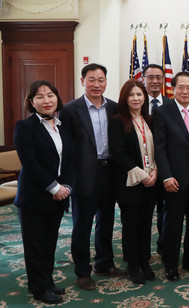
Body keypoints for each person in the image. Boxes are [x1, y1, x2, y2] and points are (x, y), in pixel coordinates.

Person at [60, 63, 125, 291]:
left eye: (101, 80)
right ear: (82, 81)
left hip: (110, 172)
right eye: (91, 80)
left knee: (106, 221)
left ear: (106, 81)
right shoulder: (70, 110)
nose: (96, 84)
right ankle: (82, 271)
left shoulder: (115, 108)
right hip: (84, 175)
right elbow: (66, 148)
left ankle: (104, 263)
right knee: (82, 225)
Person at [14, 80, 73, 304]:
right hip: (34, 197)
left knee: (49, 242)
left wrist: (67, 186)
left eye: (50, 95)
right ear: (31, 102)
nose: (46, 100)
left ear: (57, 98)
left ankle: (47, 282)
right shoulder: (25, 127)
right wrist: (54, 187)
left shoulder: (62, 125)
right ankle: (38, 289)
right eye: (39, 97)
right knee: (35, 245)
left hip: (58, 197)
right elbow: (30, 163)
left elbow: (69, 160)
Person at [153, 71, 189, 282]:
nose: (185, 91)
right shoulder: (162, 111)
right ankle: (170, 264)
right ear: (173, 89)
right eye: (181, 87)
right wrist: (166, 176)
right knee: (172, 224)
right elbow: (160, 147)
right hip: (174, 180)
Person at [108, 79, 157, 284]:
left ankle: (145, 261)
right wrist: (142, 174)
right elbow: (117, 153)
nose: (136, 98)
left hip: (151, 179)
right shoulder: (118, 121)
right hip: (130, 180)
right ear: (125, 98)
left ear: (145, 97)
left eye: (139, 94)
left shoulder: (151, 120)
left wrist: (154, 170)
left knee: (146, 224)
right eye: (131, 95)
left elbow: (157, 148)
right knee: (131, 225)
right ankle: (133, 264)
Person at [142, 64, 174, 256]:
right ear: (143, 79)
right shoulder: (135, 102)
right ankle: (142, 252)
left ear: (164, 80)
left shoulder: (171, 106)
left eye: (159, 77)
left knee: (166, 211)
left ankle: (164, 246)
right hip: (143, 169)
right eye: (150, 77)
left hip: (166, 166)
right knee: (144, 213)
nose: (155, 81)